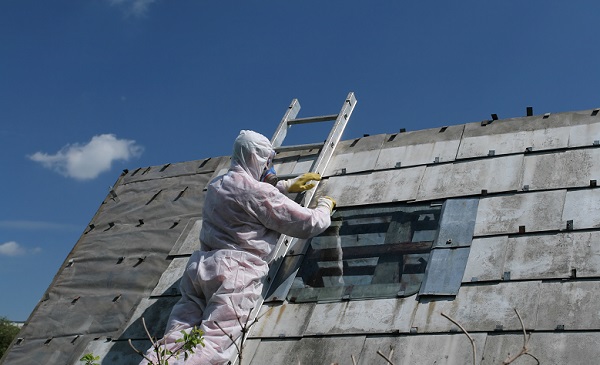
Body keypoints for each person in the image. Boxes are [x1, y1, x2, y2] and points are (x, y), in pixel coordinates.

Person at [140, 130, 335, 365]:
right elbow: (308, 223)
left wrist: (283, 186)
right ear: (257, 158)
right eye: (267, 162)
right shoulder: (259, 193)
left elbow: (243, 198)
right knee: (213, 344)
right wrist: (324, 206)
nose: (269, 168)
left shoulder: (217, 184)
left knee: (175, 339)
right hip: (234, 273)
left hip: (200, 269)